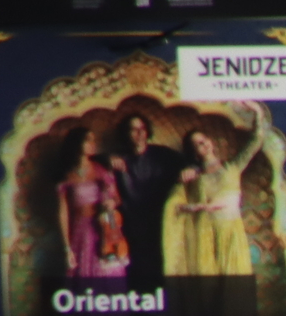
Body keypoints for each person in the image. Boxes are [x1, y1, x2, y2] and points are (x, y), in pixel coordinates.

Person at [165, 103, 267, 277]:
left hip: (231, 230)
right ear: (194, 152)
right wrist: (181, 183)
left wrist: (258, 112)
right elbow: (177, 202)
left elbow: (256, 141)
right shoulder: (194, 176)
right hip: (207, 234)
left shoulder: (233, 167)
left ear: (211, 142)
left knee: (234, 278)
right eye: (196, 144)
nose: (202, 144)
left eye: (203, 140)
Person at [105, 110, 183, 282]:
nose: (139, 133)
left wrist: (191, 170)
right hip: (130, 226)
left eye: (142, 128)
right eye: (133, 129)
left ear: (147, 132)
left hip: (160, 223)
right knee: (135, 274)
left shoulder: (163, 155)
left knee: (161, 272)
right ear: (126, 134)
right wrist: (107, 159)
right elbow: (90, 161)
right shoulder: (119, 157)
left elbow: (191, 163)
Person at [54, 126, 121, 280]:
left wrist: (111, 203)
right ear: (77, 143)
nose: (93, 144)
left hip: (103, 226)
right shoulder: (66, 175)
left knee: (107, 271)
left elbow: (116, 198)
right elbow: (62, 213)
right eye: (88, 140)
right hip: (80, 230)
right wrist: (67, 248)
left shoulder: (101, 169)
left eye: (94, 140)